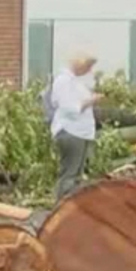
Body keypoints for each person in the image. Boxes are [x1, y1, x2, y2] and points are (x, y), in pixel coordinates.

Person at [46, 52, 101, 198]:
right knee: (69, 174)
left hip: (80, 132)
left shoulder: (75, 81)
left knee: (76, 175)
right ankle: (62, 208)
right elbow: (69, 108)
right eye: (87, 66)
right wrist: (91, 101)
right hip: (70, 132)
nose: (88, 70)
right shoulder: (63, 81)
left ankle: (71, 209)